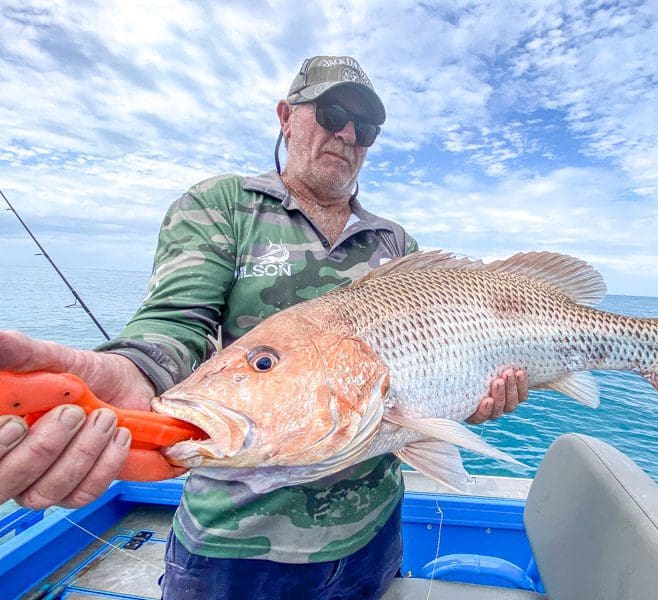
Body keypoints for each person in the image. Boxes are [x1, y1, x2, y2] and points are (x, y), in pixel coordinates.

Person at [0, 55, 528, 599]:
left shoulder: (394, 243)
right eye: (332, 112)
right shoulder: (224, 206)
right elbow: (177, 319)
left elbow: (441, 372)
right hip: (236, 545)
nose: (348, 134)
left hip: (372, 533)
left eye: (366, 126)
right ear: (287, 116)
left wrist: (469, 399)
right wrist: (135, 369)